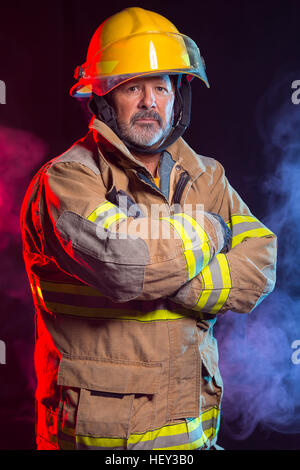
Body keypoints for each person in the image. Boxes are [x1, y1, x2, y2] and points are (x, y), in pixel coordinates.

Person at [20, 7, 277, 451]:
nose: (149, 102)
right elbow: (128, 267)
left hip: (193, 439)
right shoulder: (66, 181)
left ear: (178, 97)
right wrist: (213, 231)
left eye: (161, 87)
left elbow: (262, 262)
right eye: (132, 87)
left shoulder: (206, 176)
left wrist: (171, 277)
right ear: (101, 97)